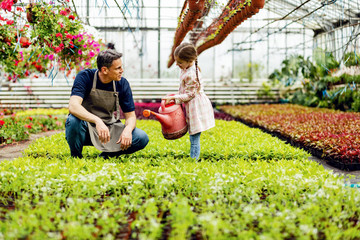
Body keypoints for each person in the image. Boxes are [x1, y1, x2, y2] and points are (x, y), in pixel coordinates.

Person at [65, 49, 149, 159]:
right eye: (118, 68)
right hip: (86, 129)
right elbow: (73, 106)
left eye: (121, 67)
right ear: (104, 70)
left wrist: (127, 130)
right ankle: (76, 157)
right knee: (73, 120)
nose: (122, 71)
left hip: (110, 129)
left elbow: (131, 116)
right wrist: (97, 121)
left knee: (141, 137)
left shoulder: (122, 83)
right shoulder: (85, 77)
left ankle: (107, 156)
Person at [163, 42, 215, 160]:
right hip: (191, 104)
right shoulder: (187, 68)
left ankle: (193, 160)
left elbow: (190, 95)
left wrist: (175, 98)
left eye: (180, 62)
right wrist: (175, 98)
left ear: (189, 60)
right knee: (193, 135)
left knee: (194, 137)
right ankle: (193, 158)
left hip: (195, 107)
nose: (177, 64)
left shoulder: (192, 74)